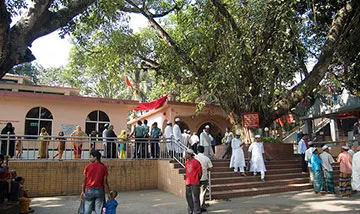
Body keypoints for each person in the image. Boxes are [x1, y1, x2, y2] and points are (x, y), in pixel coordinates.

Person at [195, 145, 213, 212]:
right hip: (204, 177)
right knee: (203, 193)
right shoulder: (206, 158)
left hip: (196, 177)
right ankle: (202, 206)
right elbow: (211, 167)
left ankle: (196, 206)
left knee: (196, 192)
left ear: (197, 151)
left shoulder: (195, 157)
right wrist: (206, 169)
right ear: (203, 151)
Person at [184, 148, 202, 214]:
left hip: (195, 182)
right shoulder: (186, 162)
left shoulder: (196, 162)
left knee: (195, 197)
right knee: (188, 197)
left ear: (190, 155)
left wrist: (197, 178)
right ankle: (191, 210)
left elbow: (200, 172)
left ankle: (197, 211)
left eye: (186, 154)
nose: (185, 155)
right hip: (188, 182)